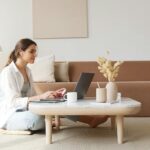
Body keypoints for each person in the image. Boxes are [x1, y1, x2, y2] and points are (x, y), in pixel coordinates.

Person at [0, 38, 108, 132]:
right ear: (20, 52)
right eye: (31, 51)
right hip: (10, 115)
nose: (35, 55)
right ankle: (48, 121)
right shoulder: (8, 72)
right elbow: (12, 102)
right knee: (36, 120)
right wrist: (41, 97)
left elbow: (32, 96)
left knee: (58, 104)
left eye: (35, 51)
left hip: (26, 109)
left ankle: (91, 120)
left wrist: (50, 96)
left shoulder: (28, 71)